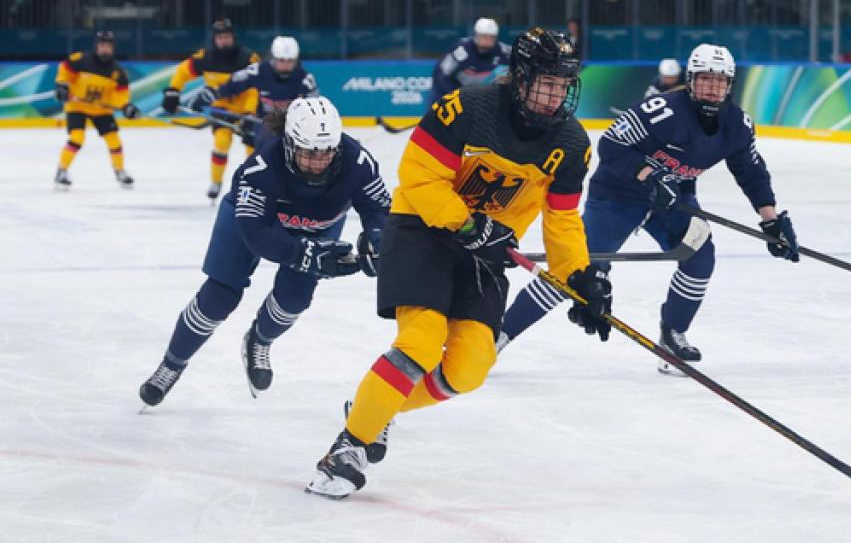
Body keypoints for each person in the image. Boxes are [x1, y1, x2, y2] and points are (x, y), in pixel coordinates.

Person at [305, 27, 612, 500]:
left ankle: (373, 405)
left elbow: (563, 218)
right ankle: (348, 447)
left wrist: (580, 279)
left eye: (563, 83)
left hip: (485, 254)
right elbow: (419, 178)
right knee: (422, 342)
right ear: (522, 76)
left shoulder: (572, 143)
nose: (555, 95)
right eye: (546, 82)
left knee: (470, 368)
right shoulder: (468, 108)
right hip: (423, 232)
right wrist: (469, 224)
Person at [499, 43, 799, 376]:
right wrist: (649, 175)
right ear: (690, 80)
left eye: (720, 81)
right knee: (572, 269)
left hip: (672, 199)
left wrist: (770, 220)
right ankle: (500, 334)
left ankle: (672, 335)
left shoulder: (738, 125)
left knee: (700, 256)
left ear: (730, 85)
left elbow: (751, 171)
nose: (712, 88)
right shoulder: (662, 110)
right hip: (618, 194)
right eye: (704, 79)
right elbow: (611, 144)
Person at [138, 96, 391, 407]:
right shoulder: (260, 168)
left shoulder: (358, 162)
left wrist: (380, 242)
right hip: (255, 224)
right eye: (308, 153)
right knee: (219, 295)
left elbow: (380, 208)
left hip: (318, 224)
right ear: (288, 144)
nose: (317, 162)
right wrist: (304, 253)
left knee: (295, 298)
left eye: (325, 152)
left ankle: (259, 340)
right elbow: (255, 233)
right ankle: (171, 365)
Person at [162, 19, 261, 201]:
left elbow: (255, 88)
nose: (224, 40)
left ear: (233, 37)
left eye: (227, 36)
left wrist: (249, 112)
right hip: (222, 108)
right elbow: (183, 71)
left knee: (252, 149)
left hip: (247, 110)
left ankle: (256, 186)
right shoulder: (206, 57)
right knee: (221, 142)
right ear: (215, 39)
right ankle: (216, 181)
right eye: (220, 37)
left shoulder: (248, 58)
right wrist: (173, 91)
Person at [190, 36, 319, 148]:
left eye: (290, 61)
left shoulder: (305, 79)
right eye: (281, 60)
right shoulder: (258, 71)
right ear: (273, 58)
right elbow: (233, 85)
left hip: (292, 127)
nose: (286, 65)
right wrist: (211, 95)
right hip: (264, 124)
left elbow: (314, 108)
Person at [53, 31, 140, 190]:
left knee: (114, 139)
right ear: (96, 46)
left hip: (101, 111)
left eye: (108, 46)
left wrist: (126, 106)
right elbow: (64, 70)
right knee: (77, 138)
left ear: (113, 48)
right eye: (102, 46)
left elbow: (120, 95)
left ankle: (120, 171)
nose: (105, 49)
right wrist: (62, 85)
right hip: (76, 106)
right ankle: (62, 171)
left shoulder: (118, 72)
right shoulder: (81, 60)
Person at [428, 17, 512, 105]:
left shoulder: (504, 52)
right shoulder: (461, 50)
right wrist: (457, 97)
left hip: (486, 98)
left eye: (491, 37)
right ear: (476, 35)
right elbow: (442, 75)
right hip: (457, 95)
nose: (487, 41)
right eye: (484, 36)